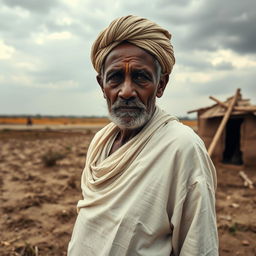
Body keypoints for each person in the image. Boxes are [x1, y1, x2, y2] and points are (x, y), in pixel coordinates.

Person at [68, 15, 218, 256]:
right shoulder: (100, 142)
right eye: (115, 77)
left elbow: (198, 246)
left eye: (141, 77)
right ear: (101, 85)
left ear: (161, 85)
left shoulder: (182, 147)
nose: (126, 91)